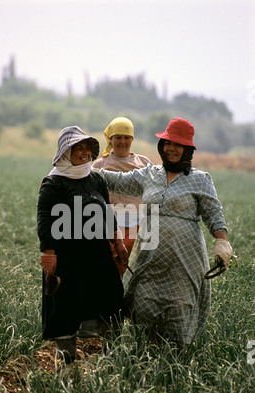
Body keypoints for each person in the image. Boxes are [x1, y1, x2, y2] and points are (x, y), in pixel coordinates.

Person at [97, 117, 233, 350]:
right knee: (144, 306)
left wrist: (222, 241)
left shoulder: (200, 180)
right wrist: (82, 171)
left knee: (179, 308)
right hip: (150, 255)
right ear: (161, 146)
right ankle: (146, 361)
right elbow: (116, 181)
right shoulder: (149, 174)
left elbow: (213, 213)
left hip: (185, 259)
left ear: (187, 150)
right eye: (168, 143)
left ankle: (176, 362)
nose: (171, 148)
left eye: (177, 145)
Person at [37, 126, 128, 363]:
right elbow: (45, 218)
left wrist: (117, 240)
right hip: (67, 257)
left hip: (98, 254)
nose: (85, 153)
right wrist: (48, 252)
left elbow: (107, 211)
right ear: (66, 152)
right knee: (66, 306)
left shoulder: (95, 178)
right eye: (79, 148)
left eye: (88, 148)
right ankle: (67, 364)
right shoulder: (54, 183)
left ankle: (113, 362)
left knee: (111, 300)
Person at [92, 117, 151, 275]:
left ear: (132, 139)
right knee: (110, 269)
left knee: (136, 270)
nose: (122, 141)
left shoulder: (144, 162)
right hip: (110, 226)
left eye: (127, 137)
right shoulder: (100, 165)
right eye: (118, 137)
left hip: (139, 226)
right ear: (111, 139)